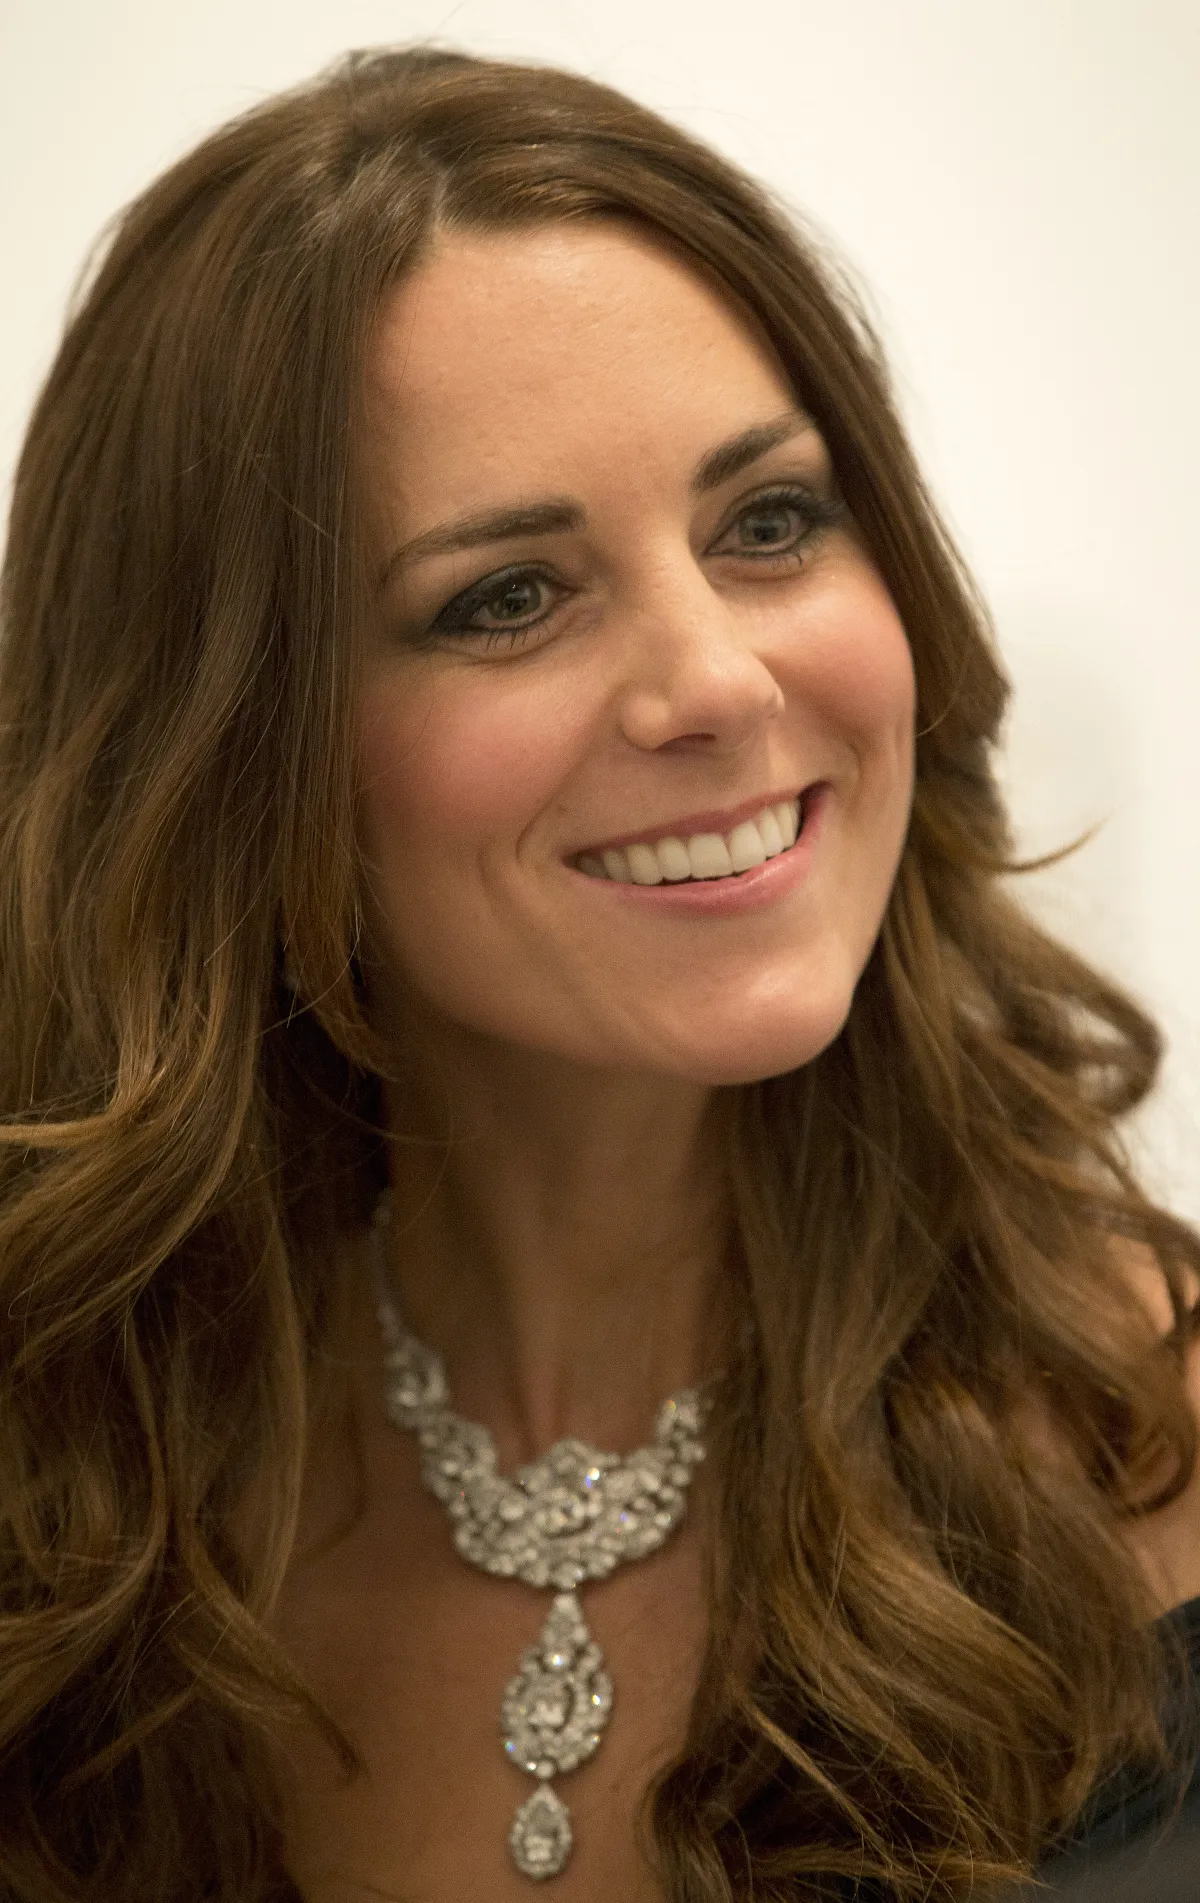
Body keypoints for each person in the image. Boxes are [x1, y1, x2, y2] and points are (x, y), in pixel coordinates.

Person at [0, 41, 1198, 1903]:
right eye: (508, 596)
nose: (715, 681)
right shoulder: (78, 1508)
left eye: (771, 523)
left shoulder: (1160, 1440)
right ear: (236, 760)